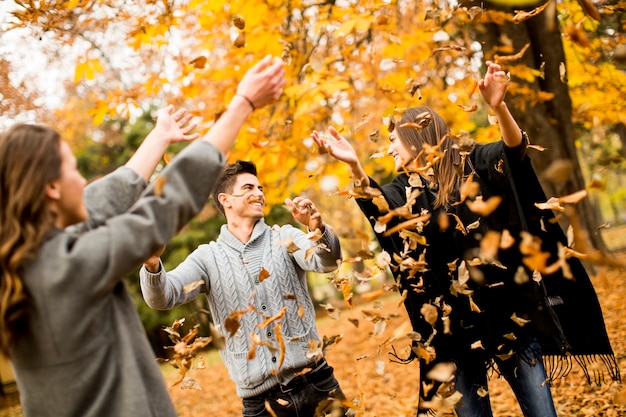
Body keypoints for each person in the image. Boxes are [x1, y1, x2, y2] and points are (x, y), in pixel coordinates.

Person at [312, 61, 619, 417]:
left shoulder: (472, 162)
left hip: (509, 319)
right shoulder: (404, 191)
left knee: (542, 412)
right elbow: (380, 208)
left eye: (395, 141)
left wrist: (498, 107)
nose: (391, 149)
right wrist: (353, 166)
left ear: (417, 134)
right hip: (453, 333)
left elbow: (513, 151)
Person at [0, 54, 285, 417]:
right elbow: (165, 204)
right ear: (52, 188)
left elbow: (105, 198)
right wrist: (242, 105)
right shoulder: (68, 267)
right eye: (74, 169)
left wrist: (159, 137)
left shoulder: (29, 258)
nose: (84, 180)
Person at [140, 160, 347, 417]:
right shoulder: (207, 258)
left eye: (260, 187)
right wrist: (151, 264)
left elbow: (327, 262)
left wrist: (317, 232)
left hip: (317, 385)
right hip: (261, 406)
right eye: (249, 187)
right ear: (225, 199)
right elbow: (163, 297)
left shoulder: (286, 237)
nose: (259, 193)